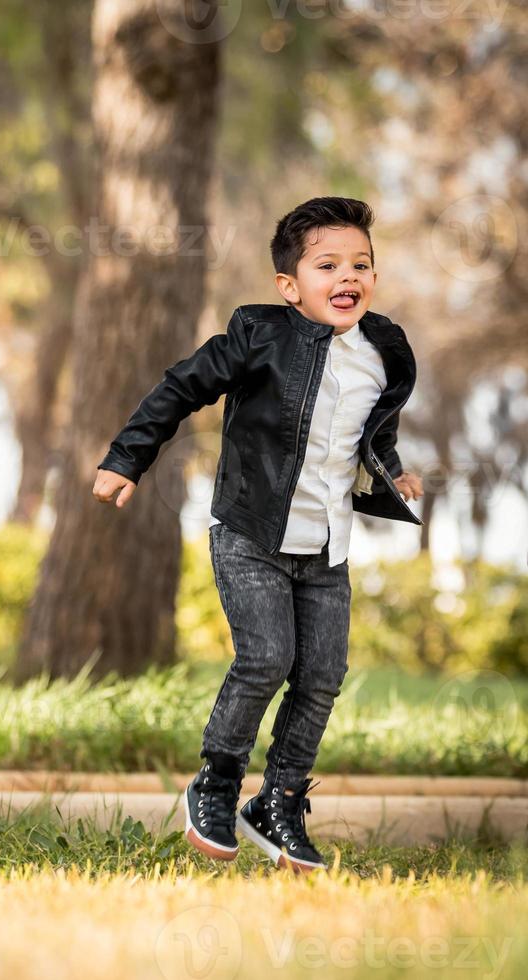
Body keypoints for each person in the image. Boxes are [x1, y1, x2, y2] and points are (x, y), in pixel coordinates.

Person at [92, 196, 424, 874]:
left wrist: (391, 471)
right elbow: (181, 388)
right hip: (250, 534)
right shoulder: (259, 333)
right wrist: (127, 457)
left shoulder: (383, 350)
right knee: (266, 658)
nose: (347, 277)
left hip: (327, 548)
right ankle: (216, 783)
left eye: (361, 264)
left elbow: (370, 431)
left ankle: (279, 800)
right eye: (327, 264)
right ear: (289, 286)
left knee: (324, 675)